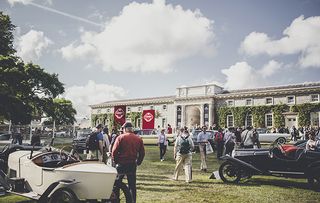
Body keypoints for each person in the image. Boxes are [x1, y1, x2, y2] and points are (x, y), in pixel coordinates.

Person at [111, 122, 145, 203]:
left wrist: (116, 162)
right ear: (131, 128)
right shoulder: (138, 138)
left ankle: (116, 200)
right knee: (132, 185)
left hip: (121, 164)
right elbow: (142, 153)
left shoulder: (120, 137)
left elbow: (114, 151)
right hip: (132, 164)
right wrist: (138, 162)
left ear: (125, 129)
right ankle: (132, 201)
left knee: (117, 184)